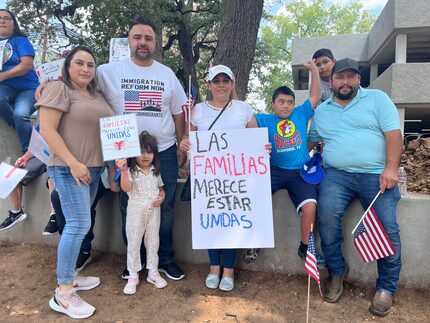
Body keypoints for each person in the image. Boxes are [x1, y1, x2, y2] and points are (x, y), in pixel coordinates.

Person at [308, 58, 402, 317]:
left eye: (351, 76)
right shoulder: (323, 111)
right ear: (332, 80)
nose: (346, 82)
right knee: (325, 215)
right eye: (341, 77)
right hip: (337, 176)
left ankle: (386, 287)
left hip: (377, 175)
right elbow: (309, 141)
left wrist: (391, 168)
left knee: (387, 228)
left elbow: (394, 135)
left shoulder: (377, 99)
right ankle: (337, 272)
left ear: (359, 79)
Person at [96, 15, 187, 281]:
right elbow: (80, 85)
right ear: (129, 40)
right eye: (138, 37)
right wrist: (49, 84)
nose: (143, 42)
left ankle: (165, 259)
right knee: (129, 205)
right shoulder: (107, 72)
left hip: (165, 150)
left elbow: (179, 111)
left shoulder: (166, 74)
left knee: (165, 204)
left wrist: (182, 144)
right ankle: (134, 261)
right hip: (127, 150)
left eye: (148, 38)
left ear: (156, 43)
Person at [38, 45, 114, 319]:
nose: (85, 69)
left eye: (90, 65)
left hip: (93, 169)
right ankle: (64, 291)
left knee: (82, 223)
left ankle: (71, 274)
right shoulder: (59, 89)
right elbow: (47, 129)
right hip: (70, 169)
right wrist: (72, 162)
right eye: (79, 63)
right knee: (78, 224)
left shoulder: (95, 93)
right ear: (68, 65)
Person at [180, 64, 268, 292]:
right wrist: (184, 142)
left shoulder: (243, 109)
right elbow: (188, 138)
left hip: (236, 179)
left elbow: (256, 140)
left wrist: (263, 147)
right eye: (216, 81)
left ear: (232, 84)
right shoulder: (197, 110)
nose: (221, 85)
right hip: (208, 178)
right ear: (209, 85)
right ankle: (214, 268)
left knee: (231, 223)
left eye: (225, 81)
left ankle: (228, 270)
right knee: (211, 222)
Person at [253, 60, 325, 268]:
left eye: (289, 102)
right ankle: (255, 241)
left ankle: (305, 248)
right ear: (273, 103)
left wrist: (313, 70)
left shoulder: (300, 114)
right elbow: (243, 116)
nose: (286, 106)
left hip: (299, 173)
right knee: (254, 198)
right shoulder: (263, 119)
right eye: (282, 102)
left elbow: (315, 96)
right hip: (273, 171)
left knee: (311, 206)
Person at [116, 131, 167, 294]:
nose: (145, 156)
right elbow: (126, 188)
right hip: (136, 213)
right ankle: (133, 274)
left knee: (153, 241)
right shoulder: (131, 171)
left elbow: (161, 188)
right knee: (134, 242)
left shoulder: (155, 170)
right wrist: (123, 170)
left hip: (154, 212)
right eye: (141, 152)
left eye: (149, 152)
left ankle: (153, 271)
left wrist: (162, 197)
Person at [0, 9, 39, 154]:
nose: (2, 20)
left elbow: (26, 65)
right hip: (4, 89)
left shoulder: (20, 41)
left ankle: (29, 154)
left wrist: (3, 76)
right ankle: (21, 129)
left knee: (20, 114)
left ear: (14, 24)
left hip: (27, 88)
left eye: (6, 18)